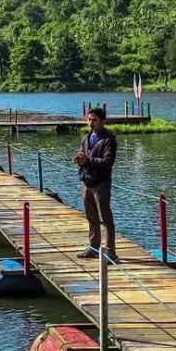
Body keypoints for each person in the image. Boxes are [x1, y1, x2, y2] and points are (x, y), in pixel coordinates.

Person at [73, 107, 118, 262]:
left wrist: (88, 160)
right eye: (89, 119)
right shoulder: (85, 138)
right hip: (86, 182)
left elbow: (108, 162)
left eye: (94, 120)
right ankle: (93, 248)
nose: (91, 122)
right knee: (91, 217)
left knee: (106, 218)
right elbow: (83, 154)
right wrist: (79, 159)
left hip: (101, 183)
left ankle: (111, 252)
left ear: (102, 121)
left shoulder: (109, 139)